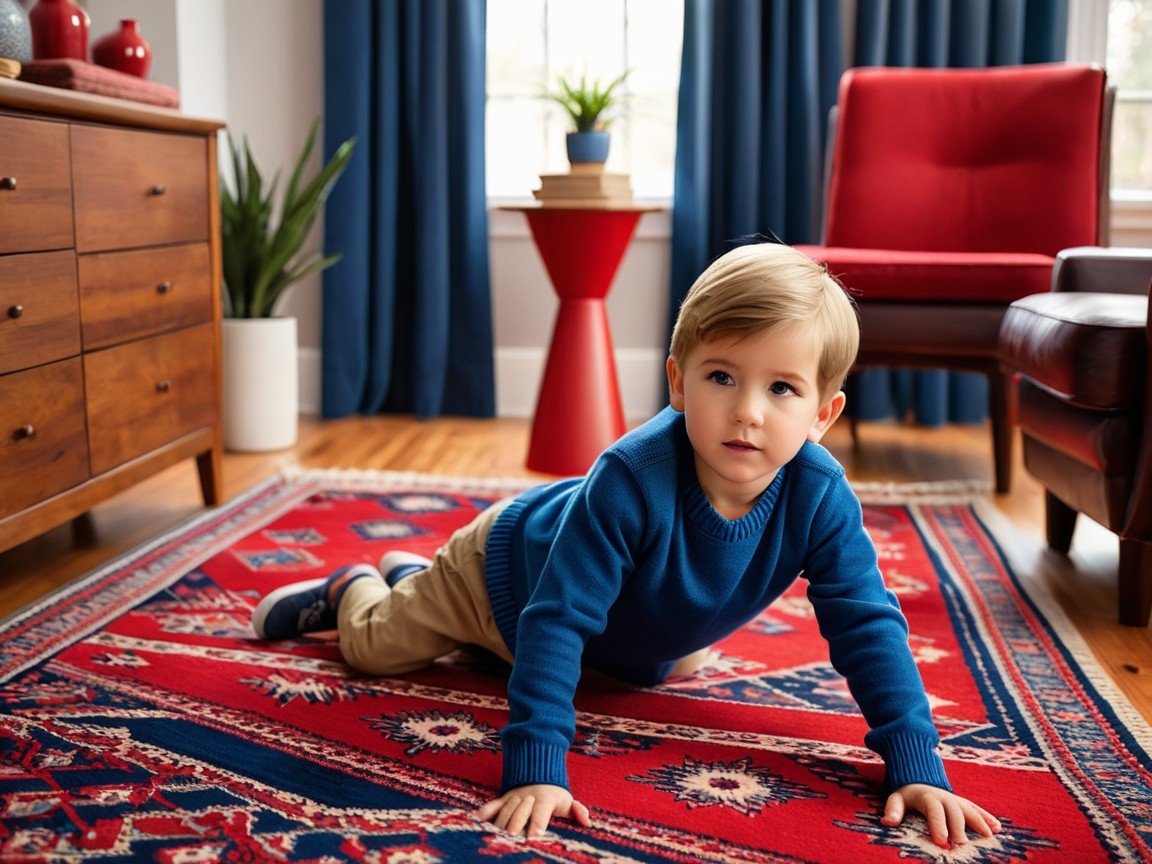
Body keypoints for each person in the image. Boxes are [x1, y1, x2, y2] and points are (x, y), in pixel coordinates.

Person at [251, 241, 1001, 849]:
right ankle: (359, 586)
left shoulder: (821, 495)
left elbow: (868, 624)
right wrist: (536, 766)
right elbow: (557, 618)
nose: (746, 411)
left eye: (781, 389)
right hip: (505, 576)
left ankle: (415, 578)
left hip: (629, 627)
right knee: (378, 649)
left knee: (667, 665)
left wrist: (916, 761)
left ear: (823, 413)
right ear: (677, 382)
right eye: (721, 376)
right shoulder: (631, 476)